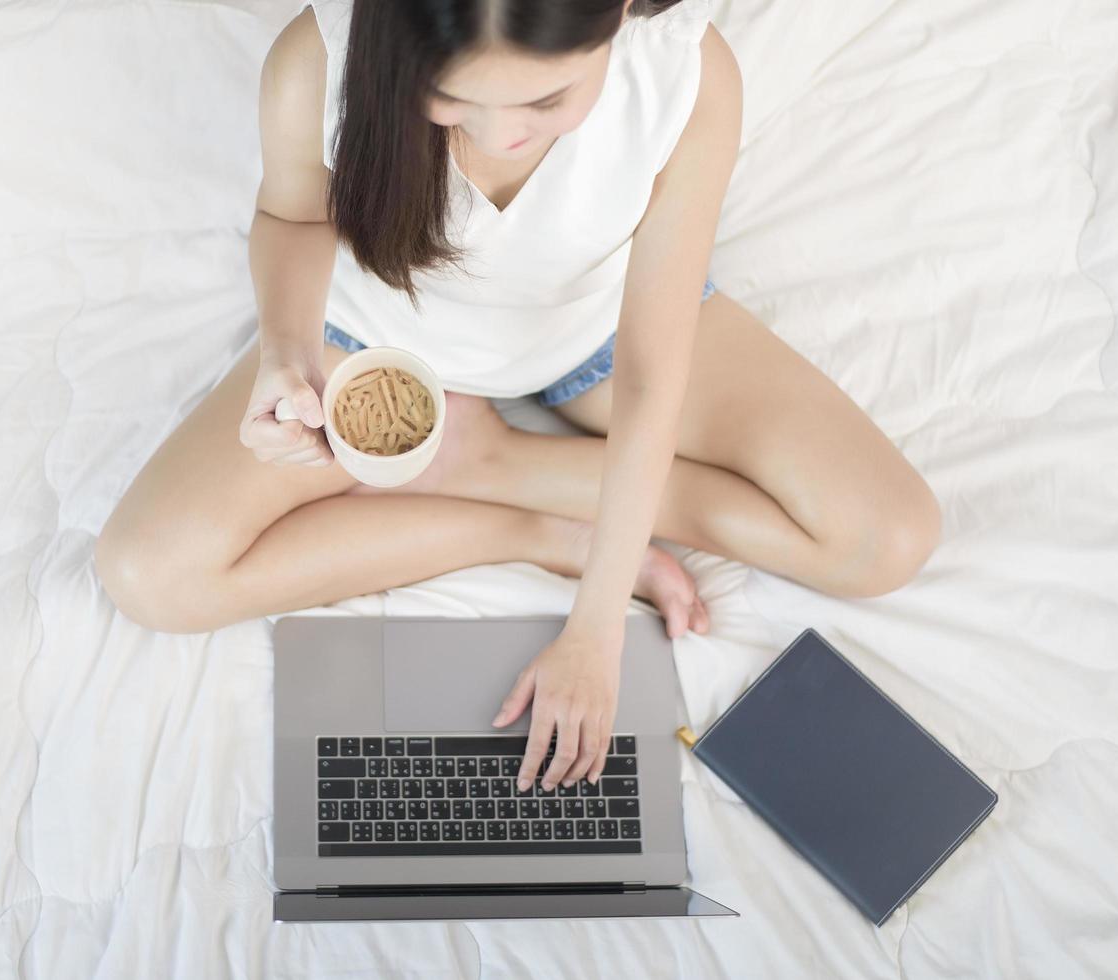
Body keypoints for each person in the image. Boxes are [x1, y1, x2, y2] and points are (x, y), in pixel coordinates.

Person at [96, 0, 942, 793]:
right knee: (150, 576)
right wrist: (284, 349)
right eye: (451, 97)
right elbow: (292, 218)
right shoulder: (319, 55)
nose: (500, 134)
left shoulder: (686, 73)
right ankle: (533, 523)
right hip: (372, 340)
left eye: (547, 97)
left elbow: (652, 376)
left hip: (598, 336)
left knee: (886, 540)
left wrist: (596, 630)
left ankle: (498, 460)